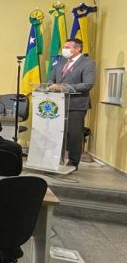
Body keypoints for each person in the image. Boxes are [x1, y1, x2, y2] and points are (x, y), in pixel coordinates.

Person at [48, 38, 96, 169]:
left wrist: (63, 87)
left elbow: (88, 84)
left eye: (67, 47)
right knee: (58, 132)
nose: (64, 50)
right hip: (58, 104)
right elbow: (52, 79)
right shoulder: (60, 63)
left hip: (76, 105)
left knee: (74, 134)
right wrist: (50, 85)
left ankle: (73, 163)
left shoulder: (87, 63)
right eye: (64, 47)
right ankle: (56, 159)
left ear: (77, 49)